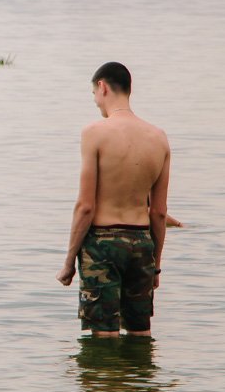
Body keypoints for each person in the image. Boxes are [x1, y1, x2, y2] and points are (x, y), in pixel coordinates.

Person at [57, 63, 170, 337]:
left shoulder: (94, 133)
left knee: (103, 338)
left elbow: (86, 207)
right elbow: (158, 213)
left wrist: (69, 262)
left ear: (102, 87)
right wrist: (155, 266)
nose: (96, 101)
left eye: (94, 94)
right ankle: (138, 367)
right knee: (140, 333)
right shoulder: (159, 138)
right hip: (142, 244)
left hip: (102, 245)